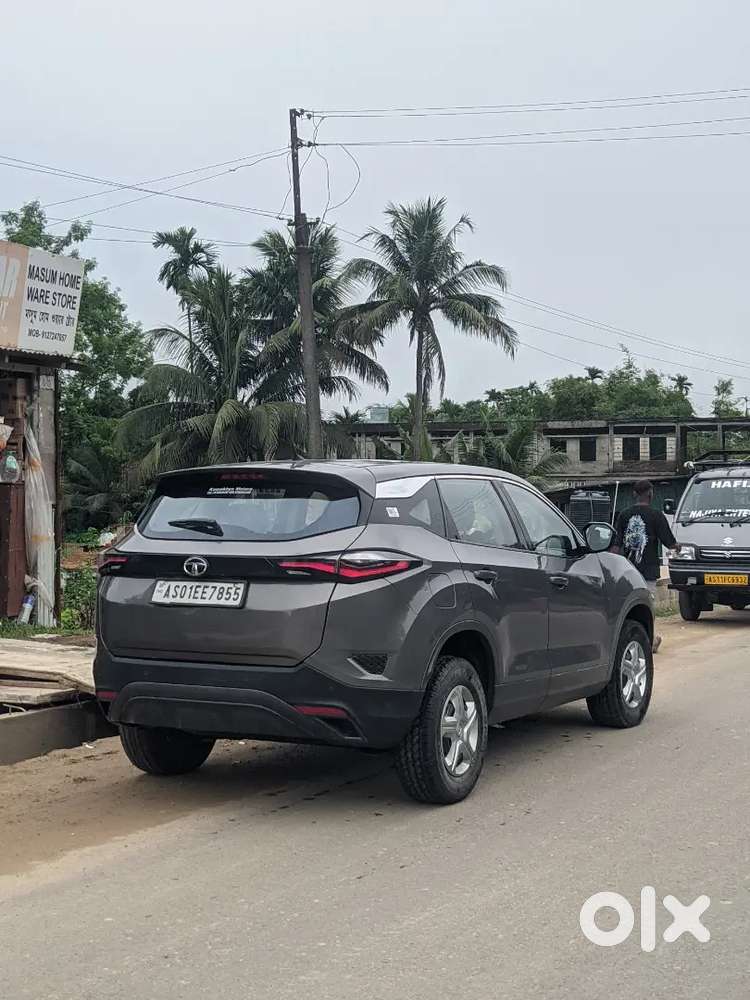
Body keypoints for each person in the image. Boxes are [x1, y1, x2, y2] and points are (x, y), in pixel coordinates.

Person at [614, 480, 677, 653]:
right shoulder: (657, 516)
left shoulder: (624, 515)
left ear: (634, 494)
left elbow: (616, 545)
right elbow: (670, 543)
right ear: (651, 494)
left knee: (628, 607)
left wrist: (613, 565)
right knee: (646, 607)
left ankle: (634, 640)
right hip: (648, 571)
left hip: (626, 571)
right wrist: (680, 547)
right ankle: (648, 640)